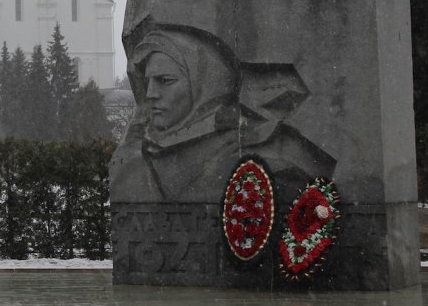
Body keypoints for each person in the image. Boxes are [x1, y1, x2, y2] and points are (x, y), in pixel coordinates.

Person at [110, 26, 334, 204]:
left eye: (165, 81)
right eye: (148, 81)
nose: (151, 94)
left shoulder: (262, 163)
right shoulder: (140, 152)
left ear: (204, 87)